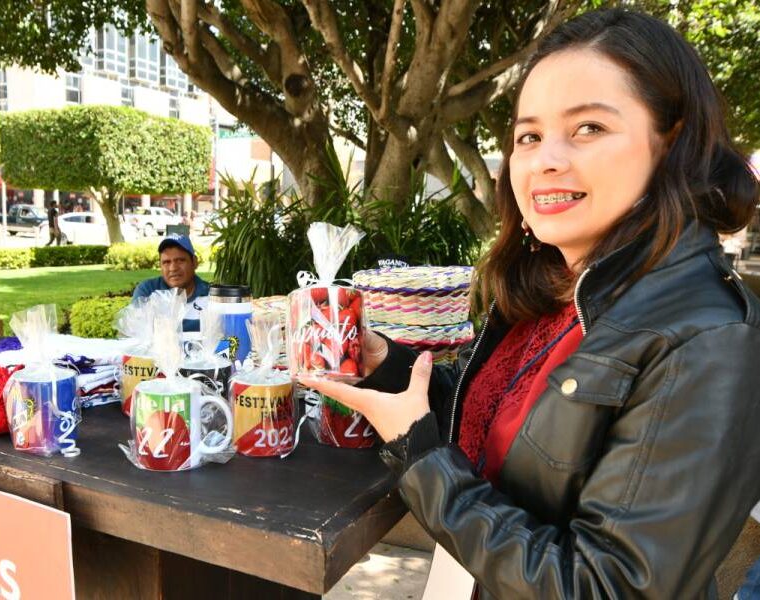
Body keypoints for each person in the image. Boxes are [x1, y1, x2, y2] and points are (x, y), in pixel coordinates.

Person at [303, 9, 760, 598]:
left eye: (589, 127)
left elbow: (608, 587)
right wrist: (386, 365)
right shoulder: (557, 291)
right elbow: (501, 425)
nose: (547, 159)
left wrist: (422, 460)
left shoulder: (706, 337)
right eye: (529, 136)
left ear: (671, 142)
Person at [132, 233, 209, 332]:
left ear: (194, 262)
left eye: (180, 260)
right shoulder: (148, 291)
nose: (173, 268)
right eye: (166, 262)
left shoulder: (211, 295)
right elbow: (138, 330)